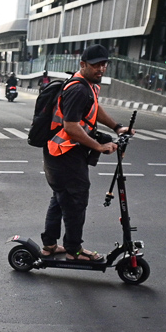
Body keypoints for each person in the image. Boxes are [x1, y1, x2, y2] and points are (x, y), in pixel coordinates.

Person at [40, 44, 126, 261]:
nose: (101, 69)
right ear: (83, 64)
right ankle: (74, 251)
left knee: (61, 198)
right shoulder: (78, 89)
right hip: (64, 153)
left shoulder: (88, 86)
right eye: (96, 65)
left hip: (61, 152)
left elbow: (94, 109)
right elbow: (70, 127)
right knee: (75, 201)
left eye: (104, 64)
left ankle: (49, 245)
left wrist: (117, 127)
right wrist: (98, 146)